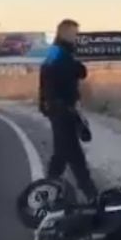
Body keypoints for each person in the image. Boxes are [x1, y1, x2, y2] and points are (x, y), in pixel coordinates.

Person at [38, 19, 98, 201]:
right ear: (64, 33)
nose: (76, 37)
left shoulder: (60, 52)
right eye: (74, 34)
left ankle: (47, 192)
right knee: (73, 155)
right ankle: (91, 196)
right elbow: (68, 73)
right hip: (61, 108)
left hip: (62, 108)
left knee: (61, 154)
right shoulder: (59, 53)